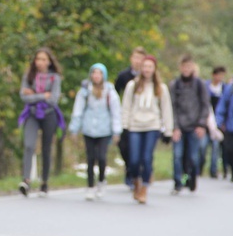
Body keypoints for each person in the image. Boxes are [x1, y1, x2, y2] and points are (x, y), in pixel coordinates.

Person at [121, 55, 173, 204]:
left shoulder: (160, 87)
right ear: (141, 68)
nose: (147, 69)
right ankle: (136, 180)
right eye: (145, 66)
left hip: (152, 126)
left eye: (150, 67)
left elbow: (166, 109)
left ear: (154, 69)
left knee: (147, 158)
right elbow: (126, 107)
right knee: (134, 159)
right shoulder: (133, 85)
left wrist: (168, 131)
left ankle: (144, 187)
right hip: (135, 126)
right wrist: (125, 126)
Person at [68, 63, 122, 200]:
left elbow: (116, 112)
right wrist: (74, 129)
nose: (96, 76)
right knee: (90, 158)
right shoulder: (85, 91)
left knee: (102, 157)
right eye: (94, 73)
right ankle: (90, 186)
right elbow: (78, 110)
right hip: (88, 128)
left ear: (103, 76)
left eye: (99, 73)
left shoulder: (110, 92)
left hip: (104, 130)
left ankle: (101, 181)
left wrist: (117, 131)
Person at [18, 48, 64, 197]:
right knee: (29, 145)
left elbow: (53, 99)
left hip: (49, 115)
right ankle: (26, 180)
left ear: (49, 61)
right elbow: (24, 97)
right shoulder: (29, 76)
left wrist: (34, 95)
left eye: (44, 59)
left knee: (46, 148)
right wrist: (42, 95)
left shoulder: (54, 78)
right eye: (38, 59)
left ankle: (44, 182)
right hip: (31, 114)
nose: (40, 62)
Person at [169, 54, 210, 194]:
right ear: (180, 68)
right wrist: (174, 127)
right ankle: (177, 183)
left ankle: (191, 178)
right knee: (177, 155)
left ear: (193, 67)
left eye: (189, 66)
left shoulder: (199, 84)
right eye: (183, 66)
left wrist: (201, 124)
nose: (186, 69)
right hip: (179, 126)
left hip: (194, 126)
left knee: (193, 157)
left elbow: (205, 105)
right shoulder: (175, 85)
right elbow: (172, 107)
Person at [114, 47, 147, 189]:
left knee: (140, 149)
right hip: (127, 116)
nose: (137, 61)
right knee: (124, 146)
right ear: (131, 59)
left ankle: (138, 174)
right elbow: (115, 93)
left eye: (140, 58)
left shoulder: (149, 76)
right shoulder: (123, 76)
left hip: (144, 118)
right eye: (135, 58)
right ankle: (129, 169)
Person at [206, 66, 228, 178]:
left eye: (222, 75)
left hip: (219, 122)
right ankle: (199, 169)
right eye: (218, 75)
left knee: (217, 147)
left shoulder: (225, 89)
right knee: (202, 147)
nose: (220, 78)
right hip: (206, 121)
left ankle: (214, 170)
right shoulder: (205, 87)